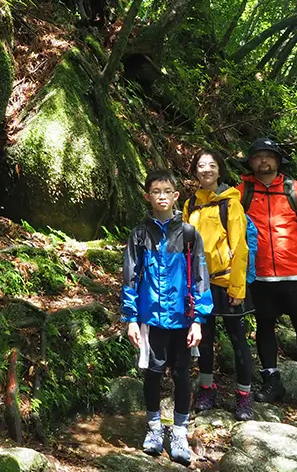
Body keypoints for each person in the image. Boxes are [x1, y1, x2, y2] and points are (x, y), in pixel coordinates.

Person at [122, 169, 213, 466]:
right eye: (156, 191)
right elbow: (130, 278)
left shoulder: (189, 234)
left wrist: (199, 319)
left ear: (176, 196)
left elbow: (201, 278)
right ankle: (153, 429)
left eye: (167, 191)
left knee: (182, 374)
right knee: (152, 373)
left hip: (183, 318)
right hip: (152, 318)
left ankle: (179, 432)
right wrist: (131, 318)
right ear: (147, 196)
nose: (162, 196)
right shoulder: (139, 235)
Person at [238, 137, 297, 409]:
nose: (263, 161)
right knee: (265, 327)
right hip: (260, 275)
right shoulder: (241, 192)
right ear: (251, 162)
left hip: (296, 274)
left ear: (278, 162)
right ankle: (272, 381)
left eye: (269, 156)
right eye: (258, 156)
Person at [183, 149, 255, 421]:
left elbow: (240, 247)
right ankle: (206, 387)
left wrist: (238, 288)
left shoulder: (231, 204)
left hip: (227, 283)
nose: (206, 169)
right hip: (200, 284)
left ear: (219, 171)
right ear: (195, 172)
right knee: (204, 337)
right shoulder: (191, 205)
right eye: (201, 165)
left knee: (238, 340)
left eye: (211, 165)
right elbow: (184, 248)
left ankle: (244, 396)